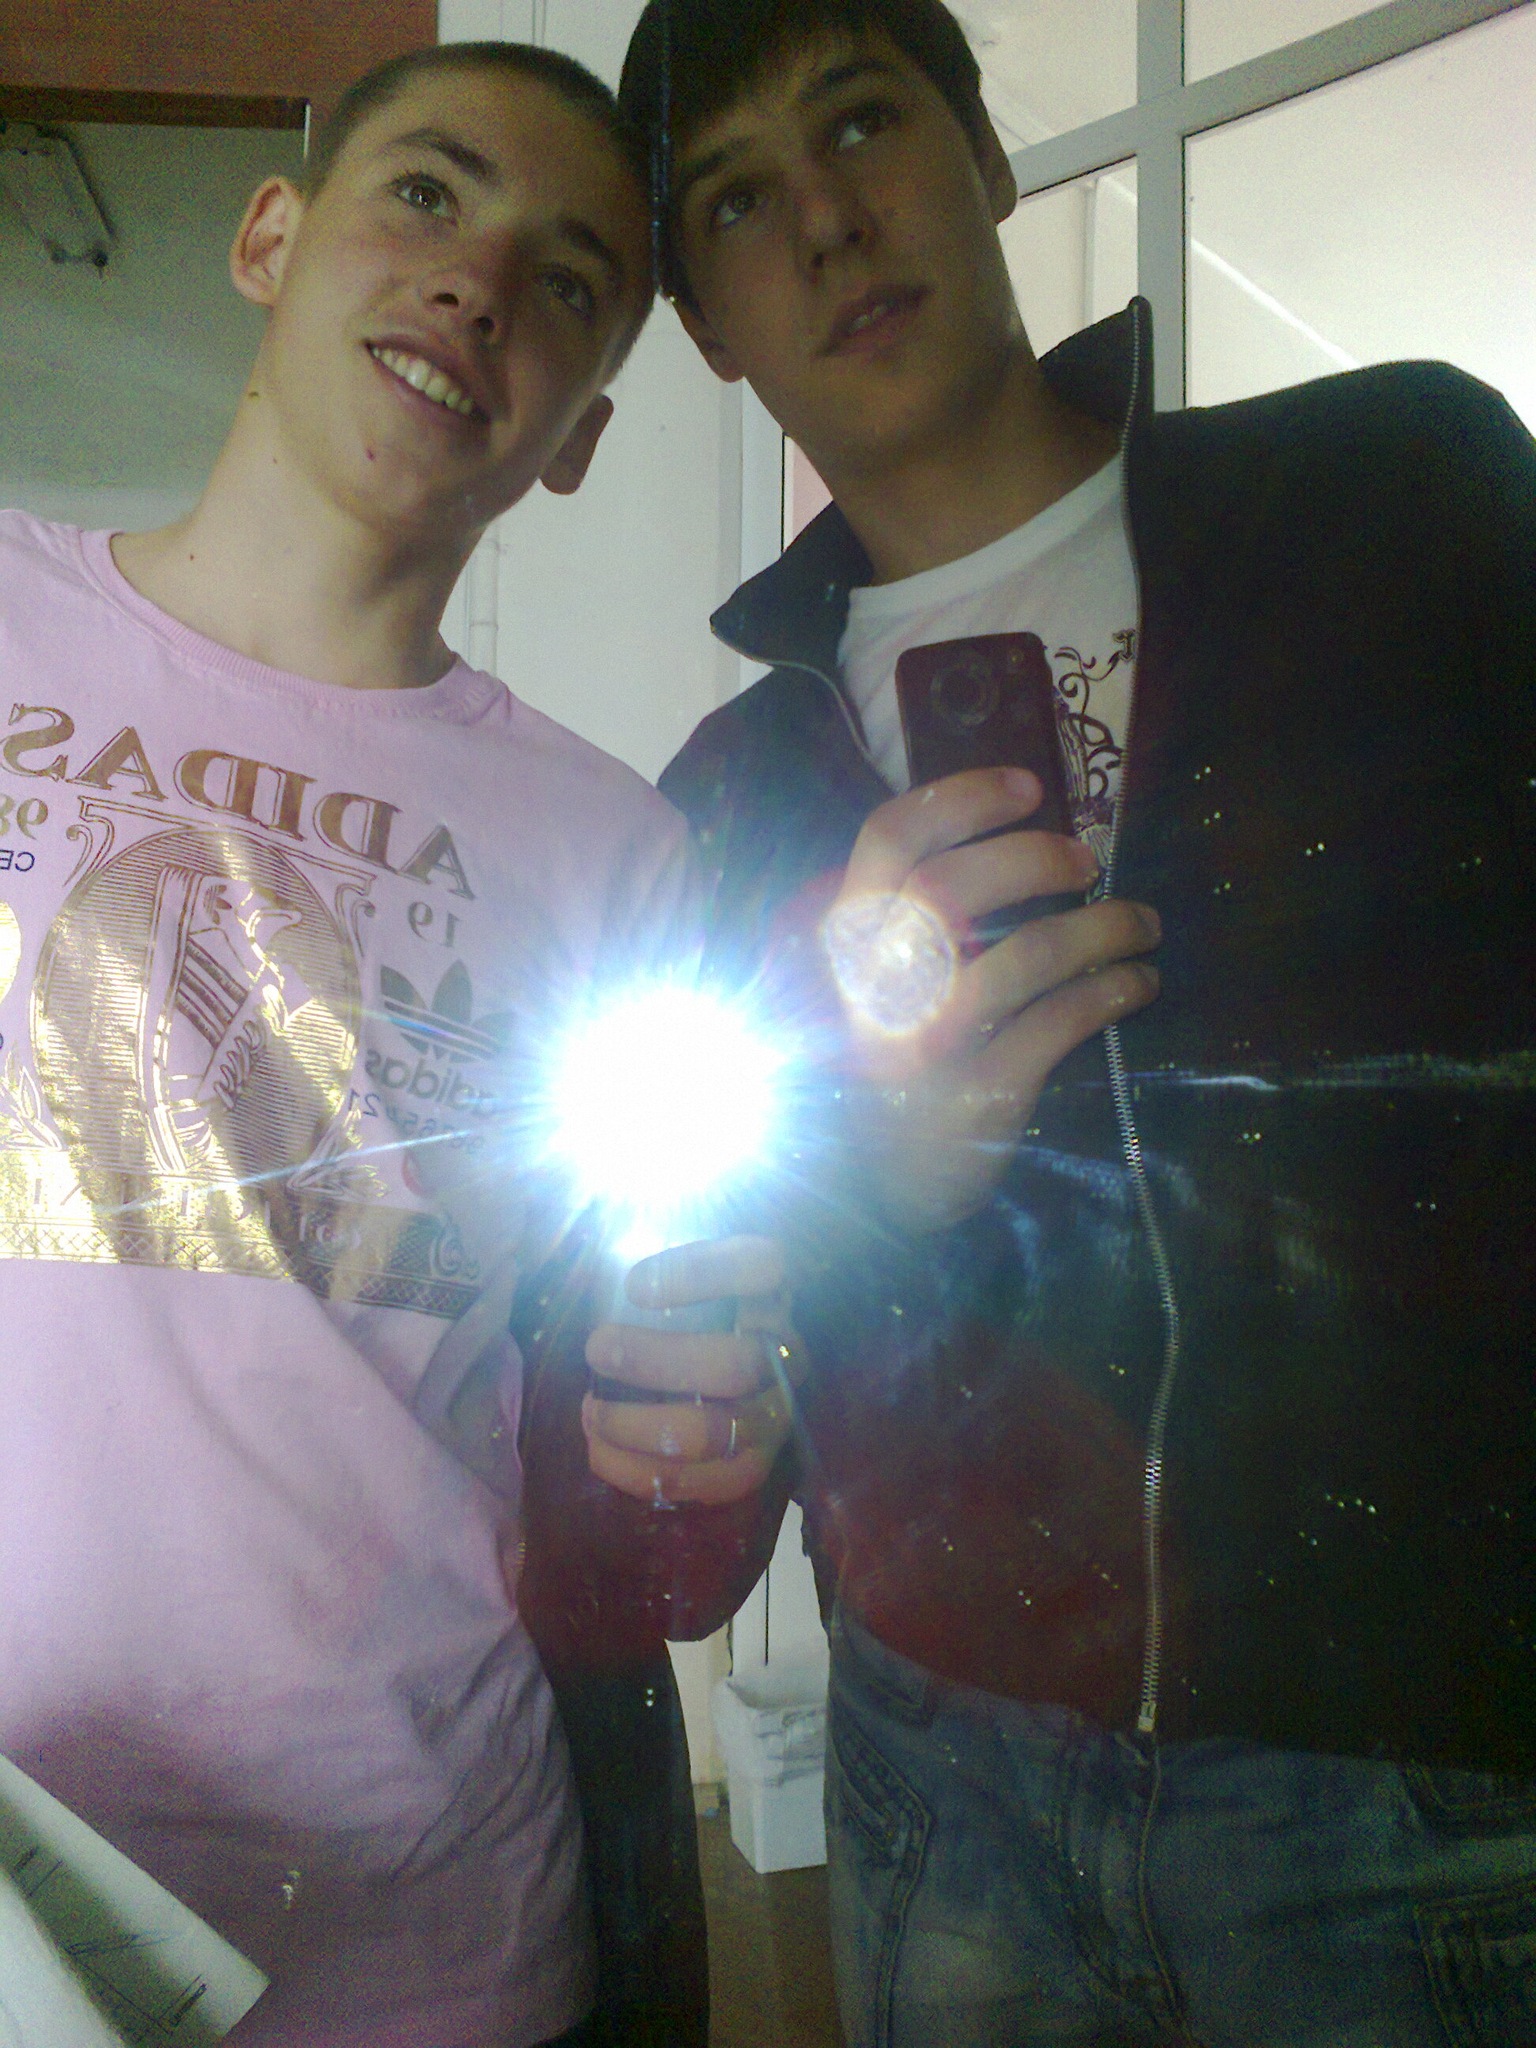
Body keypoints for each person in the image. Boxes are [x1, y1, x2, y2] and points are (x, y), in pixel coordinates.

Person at [617, 2, 1536, 2043]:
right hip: (942, 1769)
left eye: (863, 124)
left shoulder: (1397, 495)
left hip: (1428, 1752)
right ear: (708, 327)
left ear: (985, 151)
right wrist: (874, 1177)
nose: (826, 222)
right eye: (739, 204)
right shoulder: (725, 802)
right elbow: (725, 1308)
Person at [0, 41, 790, 2047]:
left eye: (568, 277)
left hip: (420, 1910)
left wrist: (709, 1448)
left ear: (581, 433)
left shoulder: (618, 850)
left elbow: (618, 1407)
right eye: (426, 194)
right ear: (272, 238)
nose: (478, 282)